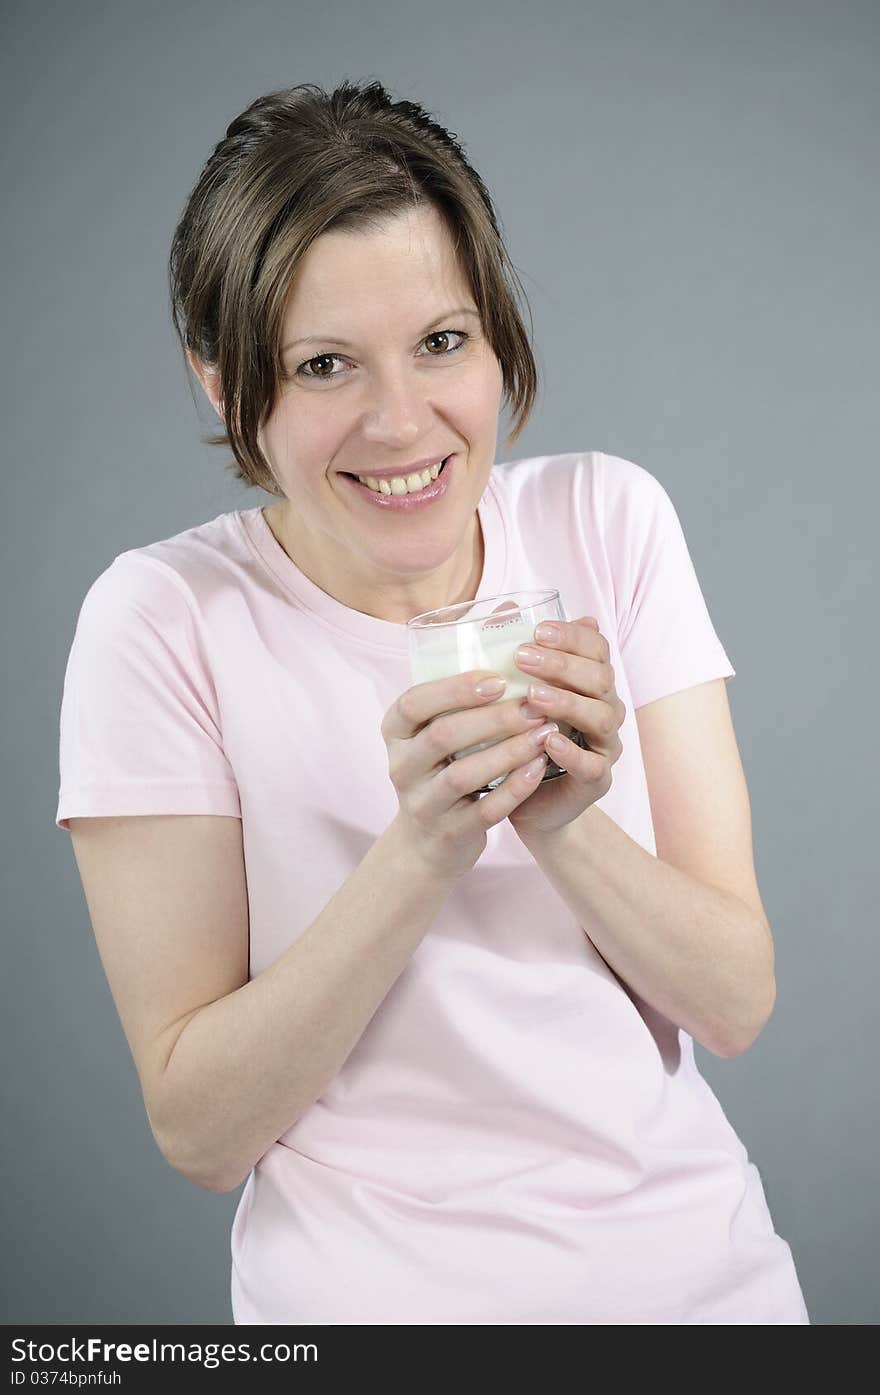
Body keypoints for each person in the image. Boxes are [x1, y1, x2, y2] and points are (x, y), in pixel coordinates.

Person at [55, 78, 810, 1324]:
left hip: (700, 1293)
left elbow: (734, 1002)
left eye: (442, 342)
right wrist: (423, 846)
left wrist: (561, 820)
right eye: (323, 364)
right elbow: (198, 1128)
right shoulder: (164, 620)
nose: (402, 423)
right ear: (218, 380)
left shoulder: (606, 521)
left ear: (498, 333)